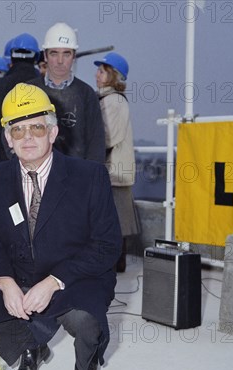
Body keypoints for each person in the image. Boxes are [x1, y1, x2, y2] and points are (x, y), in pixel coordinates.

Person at [0, 84, 122, 370]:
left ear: (53, 132)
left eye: (36, 127)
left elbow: (106, 245)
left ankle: (86, 364)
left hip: (75, 277)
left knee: (84, 318)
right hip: (20, 274)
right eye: (18, 130)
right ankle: (30, 349)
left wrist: (54, 282)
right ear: (8, 139)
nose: (28, 137)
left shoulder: (89, 176)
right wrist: (5, 281)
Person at [28, 22, 106, 163]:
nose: (60, 61)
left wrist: (89, 179)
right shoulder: (28, 92)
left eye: (66, 54)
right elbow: (10, 134)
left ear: (74, 56)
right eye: (54, 53)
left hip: (75, 179)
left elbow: (96, 145)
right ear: (45, 56)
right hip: (35, 177)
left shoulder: (86, 95)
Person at [94, 53, 139, 272]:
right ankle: (115, 261)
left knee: (116, 219)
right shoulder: (109, 100)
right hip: (114, 169)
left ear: (113, 76)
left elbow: (107, 136)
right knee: (116, 218)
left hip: (114, 170)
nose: (97, 75)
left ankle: (115, 262)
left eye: (102, 71)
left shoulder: (113, 102)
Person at [0, 33, 40, 169]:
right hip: (39, 167)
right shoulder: (42, 87)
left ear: (11, 57)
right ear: (36, 57)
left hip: (2, 167)